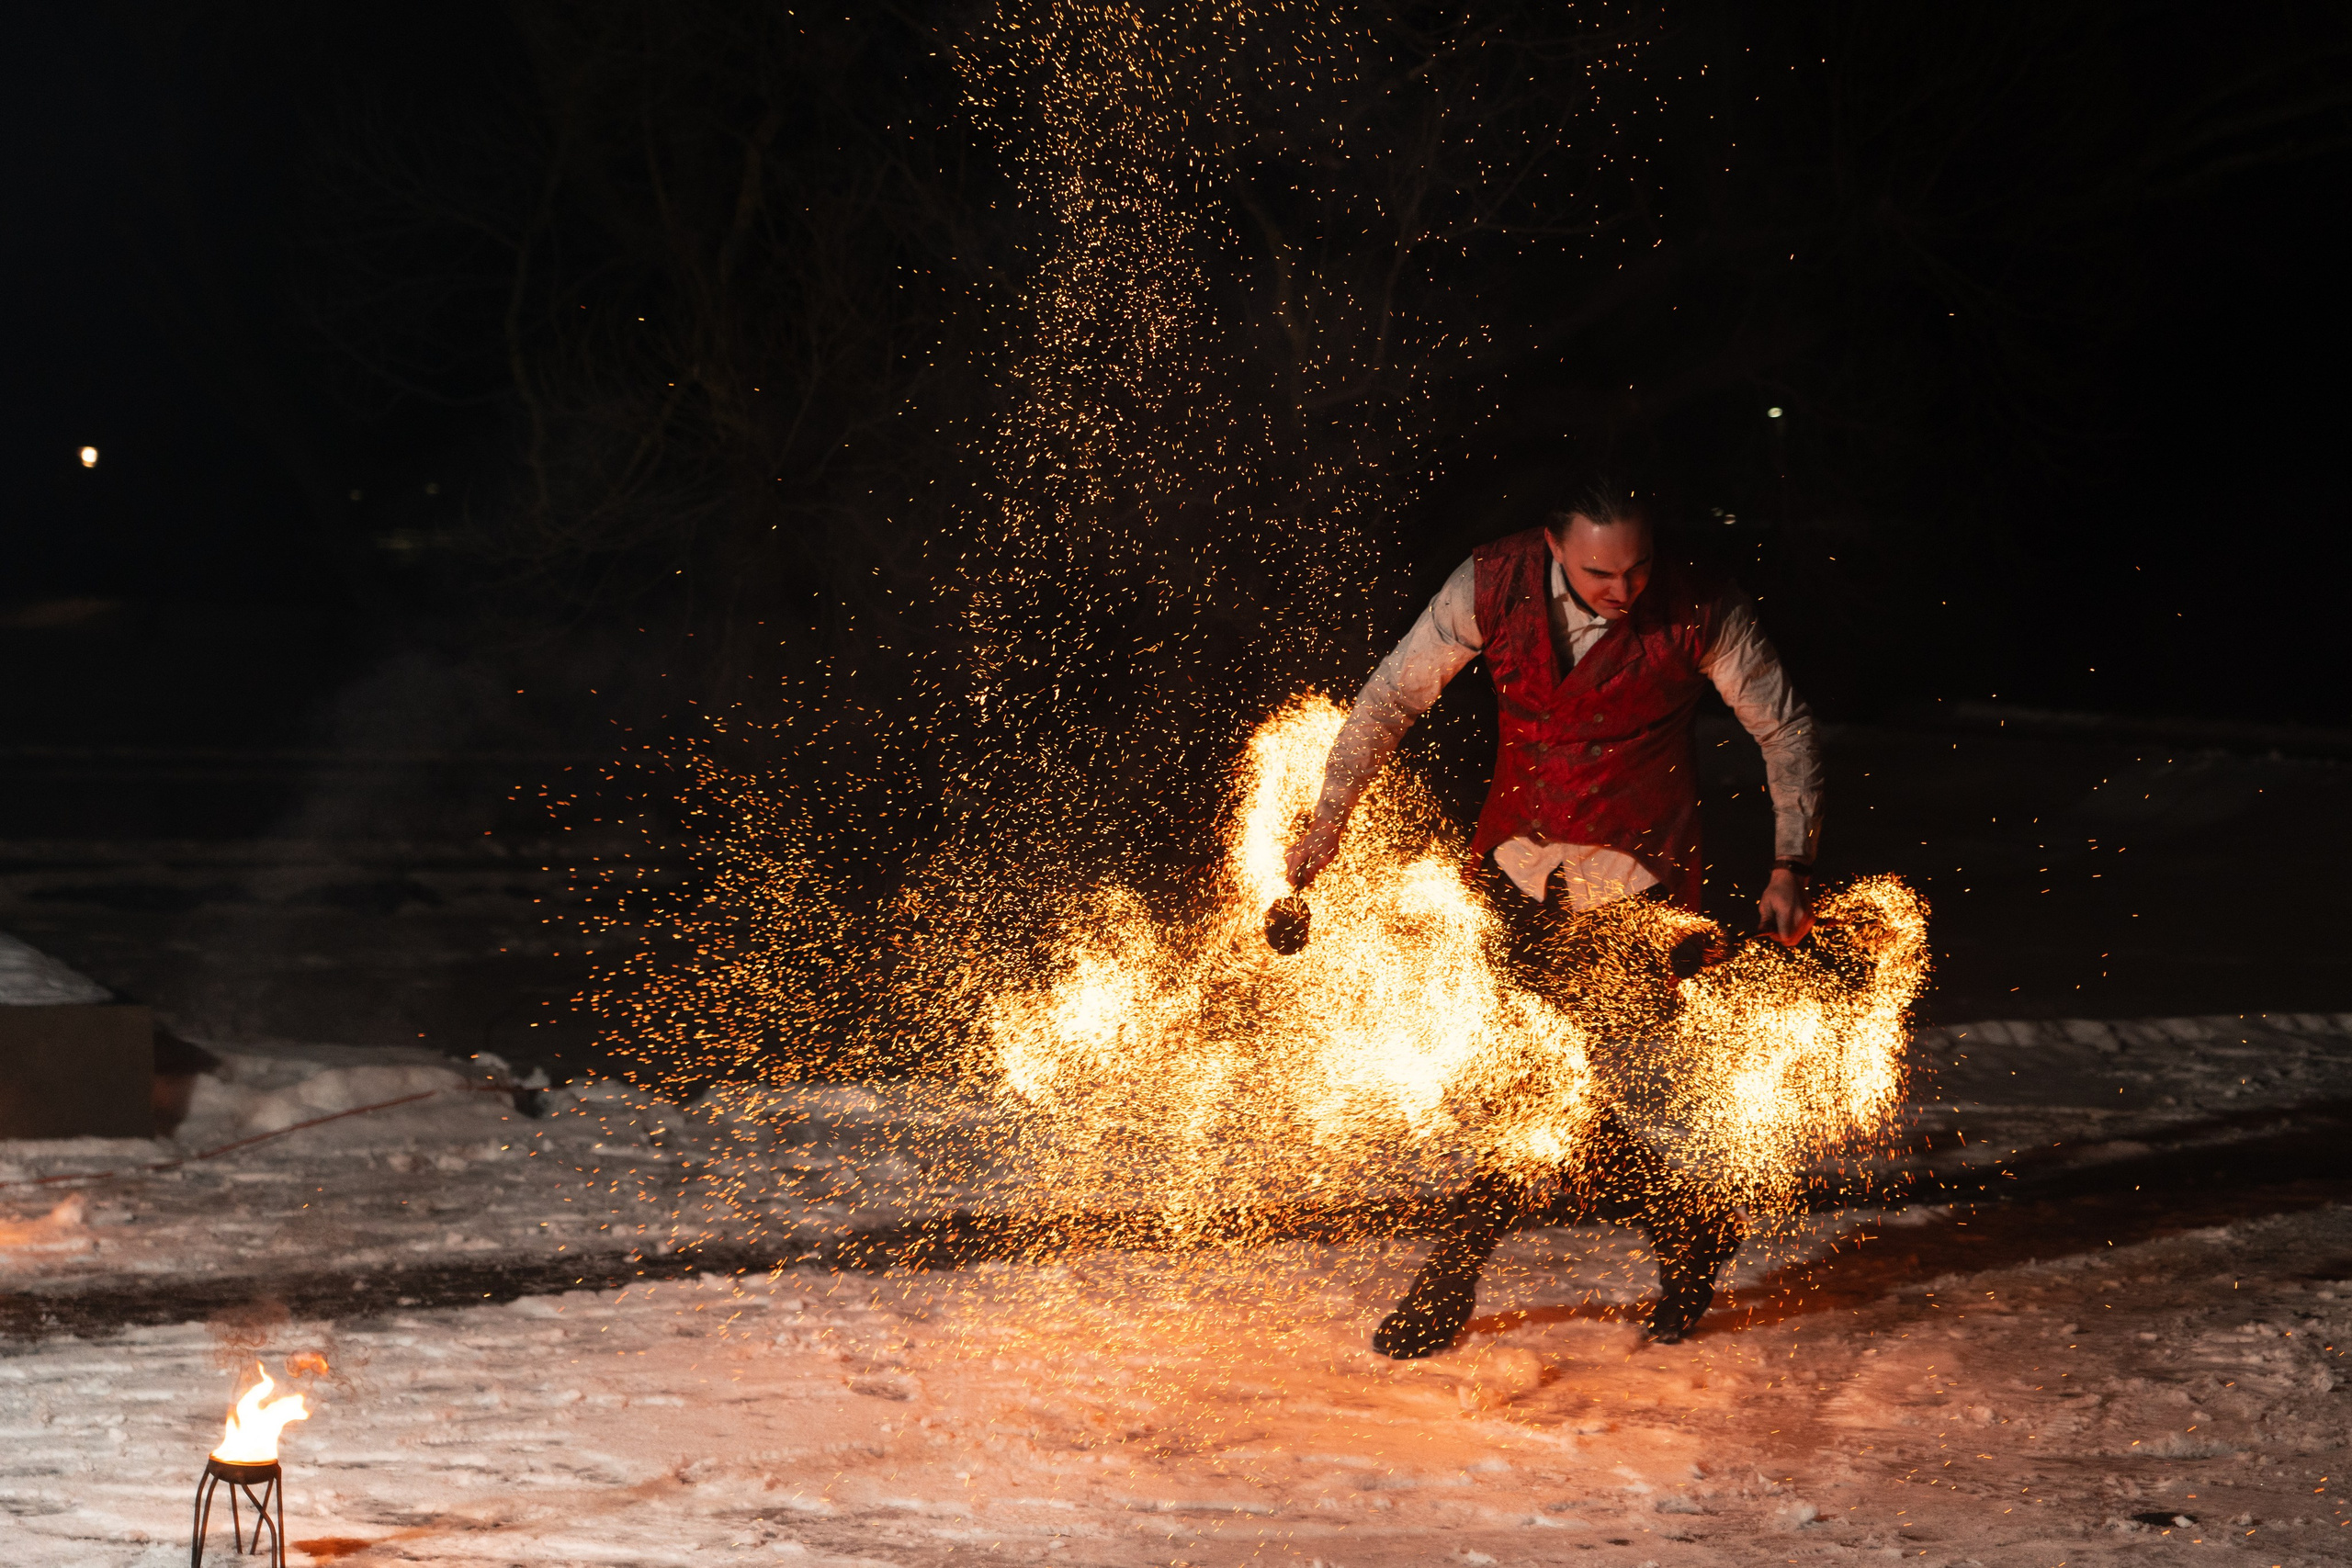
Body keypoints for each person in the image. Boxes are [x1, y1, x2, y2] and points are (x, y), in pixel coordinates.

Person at [1284, 481, 1825, 1354]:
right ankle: (1688, 1220)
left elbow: (1785, 728)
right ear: (1551, 545)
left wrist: (1789, 863)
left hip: (1635, 889)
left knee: (1536, 1087)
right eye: (1601, 571)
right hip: (1515, 869)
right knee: (1548, 1091)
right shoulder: (1490, 584)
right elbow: (1388, 699)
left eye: (1639, 565)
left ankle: (1448, 1280)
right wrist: (1329, 814)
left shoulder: (1701, 606)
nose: (1625, 590)